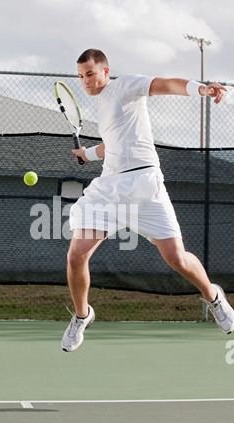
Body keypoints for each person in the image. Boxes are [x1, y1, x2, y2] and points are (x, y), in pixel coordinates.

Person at [61, 48, 234, 352]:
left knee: (177, 260)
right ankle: (82, 316)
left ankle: (214, 298)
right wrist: (87, 154)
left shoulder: (125, 86)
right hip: (108, 190)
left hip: (144, 186)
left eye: (89, 74)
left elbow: (166, 84)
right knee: (76, 256)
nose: (85, 81)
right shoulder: (101, 105)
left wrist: (201, 89)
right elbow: (111, 144)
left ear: (105, 70)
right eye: (80, 77)